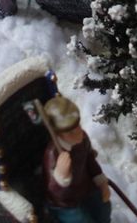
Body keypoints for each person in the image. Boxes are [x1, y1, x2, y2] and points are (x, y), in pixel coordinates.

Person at [42, 95, 111, 223]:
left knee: (104, 207)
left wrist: (101, 181)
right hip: (66, 203)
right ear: (57, 134)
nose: (79, 132)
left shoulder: (82, 138)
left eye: (78, 126)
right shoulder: (53, 154)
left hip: (85, 188)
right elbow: (54, 191)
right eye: (70, 132)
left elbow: (90, 160)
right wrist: (61, 176)